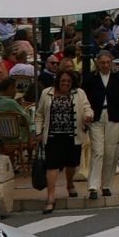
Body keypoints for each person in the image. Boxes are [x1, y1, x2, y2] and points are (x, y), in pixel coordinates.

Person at [33, 69, 93, 214]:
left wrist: (88, 116)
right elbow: (39, 113)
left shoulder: (79, 94)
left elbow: (87, 108)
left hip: (72, 134)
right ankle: (50, 198)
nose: (65, 84)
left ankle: (70, 183)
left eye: (68, 81)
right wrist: (39, 131)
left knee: (72, 164)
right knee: (51, 166)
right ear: (58, 81)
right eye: (63, 81)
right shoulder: (47, 93)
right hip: (52, 135)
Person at [82, 51, 119, 199]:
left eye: (108, 62)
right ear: (97, 64)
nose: (105, 65)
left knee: (111, 152)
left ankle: (106, 185)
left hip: (114, 117)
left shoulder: (118, 78)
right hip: (96, 118)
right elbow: (83, 99)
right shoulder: (91, 79)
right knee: (98, 151)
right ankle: (93, 186)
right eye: (102, 63)